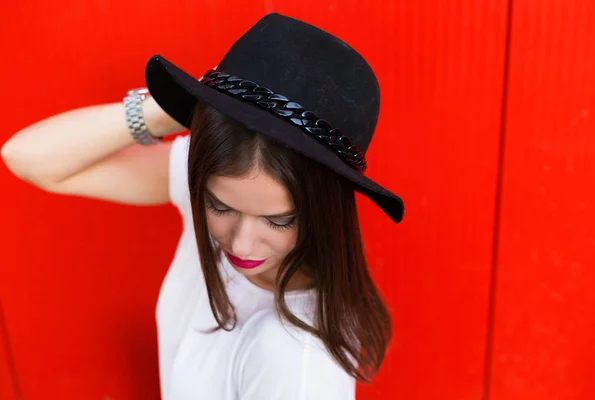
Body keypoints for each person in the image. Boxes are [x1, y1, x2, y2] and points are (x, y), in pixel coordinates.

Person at [2, 12, 405, 400]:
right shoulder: (219, 175)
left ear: (324, 209)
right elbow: (29, 157)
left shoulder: (295, 360)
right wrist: (170, 112)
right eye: (220, 207)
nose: (242, 246)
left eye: (279, 220)